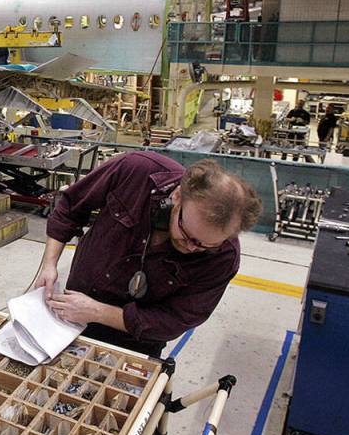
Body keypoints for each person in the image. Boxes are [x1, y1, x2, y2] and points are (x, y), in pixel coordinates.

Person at [32, 152, 261, 356]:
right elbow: (71, 206)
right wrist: (49, 265)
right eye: (187, 234)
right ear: (178, 197)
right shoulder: (135, 170)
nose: (192, 247)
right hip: (71, 310)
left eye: (205, 245)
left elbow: (174, 320)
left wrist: (98, 312)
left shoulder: (224, 257)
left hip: (134, 340)